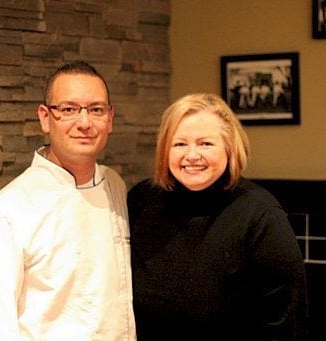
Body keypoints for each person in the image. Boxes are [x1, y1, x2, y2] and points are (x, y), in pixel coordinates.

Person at [0, 60, 136, 340]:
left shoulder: (114, 186)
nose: (84, 123)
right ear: (45, 117)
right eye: (68, 110)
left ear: (110, 119)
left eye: (96, 110)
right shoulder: (7, 212)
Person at [128, 93, 307, 340]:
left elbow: (284, 321)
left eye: (205, 144)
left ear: (229, 147)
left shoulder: (260, 215)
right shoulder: (142, 200)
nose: (191, 155)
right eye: (179, 144)